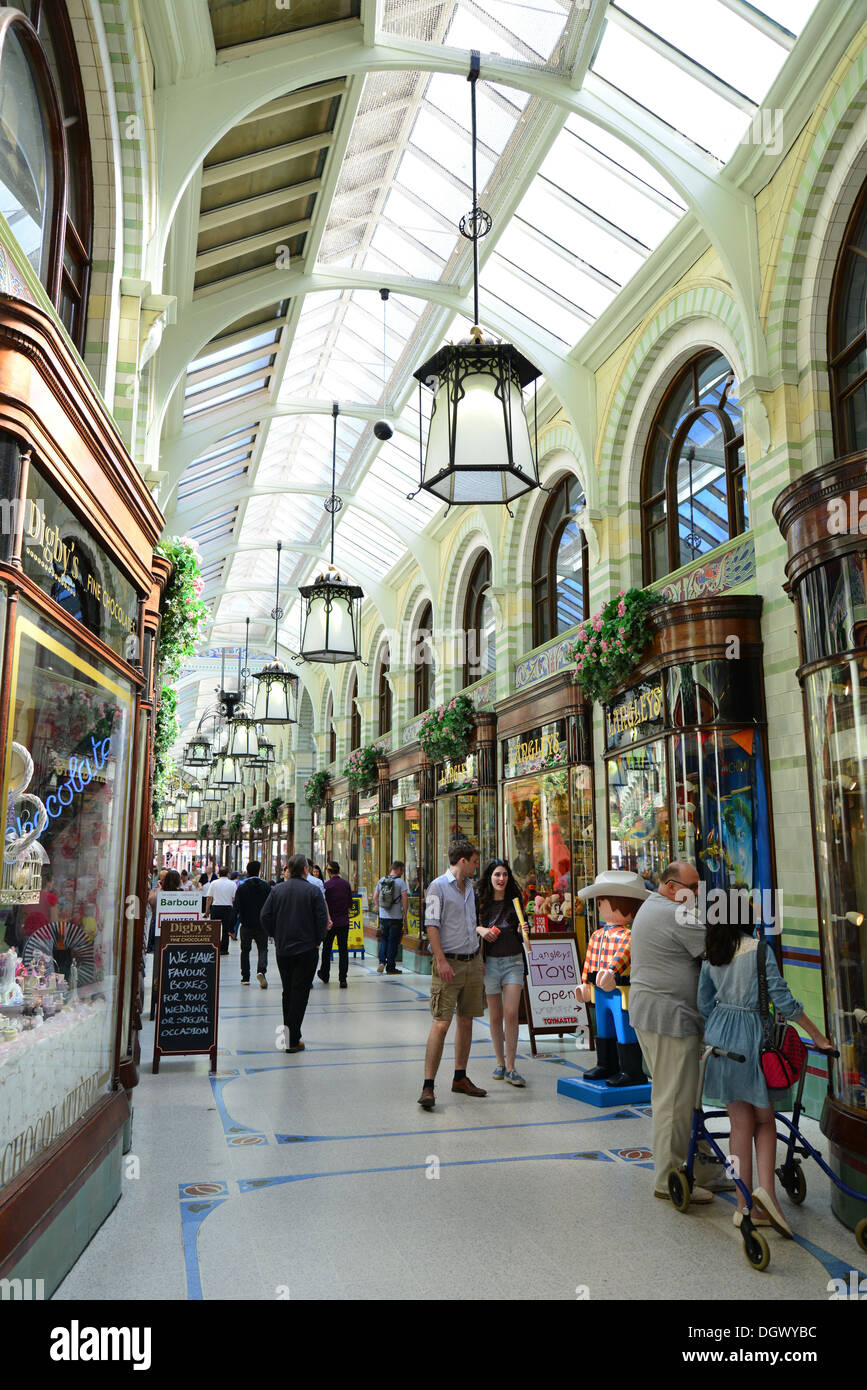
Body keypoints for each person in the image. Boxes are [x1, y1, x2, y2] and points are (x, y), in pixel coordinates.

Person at [699, 920, 832, 1236]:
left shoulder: (711, 953)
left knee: (738, 1126)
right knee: (764, 1120)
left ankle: (741, 1205)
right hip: (753, 1039)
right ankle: (767, 1197)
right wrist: (818, 1036)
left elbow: (703, 1003)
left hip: (719, 1040)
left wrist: (720, 1023)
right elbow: (783, 1000)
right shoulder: (759, 950)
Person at [629, 861, 732, 1203]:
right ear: (672, 887)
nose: (696, 894)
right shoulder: (676, 913)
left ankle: (702, 1170)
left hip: (654, 1015)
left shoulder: (653, 907)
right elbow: (718, 951)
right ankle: (668, 1179)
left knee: (683, 1097)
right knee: (674, 1101)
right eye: (692, 887)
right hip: (669, 1019)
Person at [418, 839, 485, 1110]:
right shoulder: (437, 887)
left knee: (466, 1021)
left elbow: (472, 924)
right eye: (474, 861)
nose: (476, 865)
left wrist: (477, 957)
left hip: (471, 962)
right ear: (462, 861)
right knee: (442, 1023)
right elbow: (431, 926)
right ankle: (428, 1085)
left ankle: (460, 1077)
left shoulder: (470, 888)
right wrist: (441, 960)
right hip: (449, 965)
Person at [576, 869, 649, 1087]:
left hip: (621, 990)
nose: (600, 907)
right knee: (604, 1027)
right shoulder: (596, 935)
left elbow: (623, 956)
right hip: (599, 989)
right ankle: (606, 1064)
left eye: (604, 902)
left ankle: (631, 1069)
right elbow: (589, 960)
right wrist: (584, 983)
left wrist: (611, 971)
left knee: (623, 1026)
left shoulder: (630, 935)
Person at [261, 853, 328, 1053]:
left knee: (288, 991)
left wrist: (276, 934)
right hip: (307, 949)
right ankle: (290, 1039)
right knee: (300, 992)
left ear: (288, 869)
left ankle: (290, 1037)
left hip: (284, 950)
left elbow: (264, 916)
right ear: (306, 870)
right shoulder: (313, 891)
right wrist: (317, 941)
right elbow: (322, 921)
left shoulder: (277, 890)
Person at [477, 859, 526, 1087]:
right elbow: (471, 925)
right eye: (497, 874)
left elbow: (523, 934)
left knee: (511, 1013)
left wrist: (523, 930)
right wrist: (482, 930)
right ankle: (499, 1062)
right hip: (490, 964)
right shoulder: (481, 903)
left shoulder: (515, 902)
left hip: (514, 962)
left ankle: (511, 1066)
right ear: (490, 877)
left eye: (504, 875)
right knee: (495, 1016)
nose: (501, 879)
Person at [234, 860, 272, 988]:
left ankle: (245, 977)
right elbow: (271, 907)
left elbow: (236, 907)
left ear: (247, 871)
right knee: (262, 949)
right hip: (262, 925)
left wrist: (231, 927)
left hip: (246, 925)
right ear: (259, 871)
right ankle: (261, 971)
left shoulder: (242, 887)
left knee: (245, 950)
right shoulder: (266, 887)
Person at [318, 861, 353, 987]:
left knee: (326, 949)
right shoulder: (346, 884)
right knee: (343, 950)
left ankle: (325, 974)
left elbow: (322, 905)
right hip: (344, 922)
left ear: (328, 872)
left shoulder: (326, 886)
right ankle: (343, 979)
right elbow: (350, 905)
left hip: (330, 923)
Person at [374, 860, 409, 975]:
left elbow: (375, 896)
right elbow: (404, 898)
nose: (403, 872)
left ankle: (381, 961)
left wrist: (380, 908)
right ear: (398, 869)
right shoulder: (400, 882)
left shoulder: (382, 880)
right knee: (393, 941)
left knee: (384, 938)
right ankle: (390, 967)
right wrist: (405, 912)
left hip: (384, 916)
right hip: (396, 917)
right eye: (402, 870)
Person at [205, 867, 238, 956]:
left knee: (214, 929)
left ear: (219, 874)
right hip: (228, 908)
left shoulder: (214, 883)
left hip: (216, 908)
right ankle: (224, 949)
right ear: (228, 874)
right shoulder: (232, 884)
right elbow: (234, 898)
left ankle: (214, 947)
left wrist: (207, 910)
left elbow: (209, 898)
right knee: (225, 930)